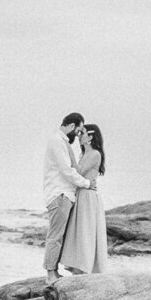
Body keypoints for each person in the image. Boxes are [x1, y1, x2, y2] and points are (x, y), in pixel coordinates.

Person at [42, 112, 91, 285]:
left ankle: (53, 271)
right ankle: (50, 274)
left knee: (59, 235)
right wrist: (85, 183)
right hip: (60, 194)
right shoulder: (57, 141)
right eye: (78, 131)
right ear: (71, 126)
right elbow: (66, 169)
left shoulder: (60, 141)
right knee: (56, 235)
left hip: (64, 194)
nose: (78, 136)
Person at [60, 123, 107, 276]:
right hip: (81, 195)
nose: (79, 136)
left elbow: (78, 172)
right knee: (77, 233)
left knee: (86, 232)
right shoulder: (84, 154)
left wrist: (67, 150)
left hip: (88, 197)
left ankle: (86, 268)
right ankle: (78, 268)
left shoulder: (95, 154)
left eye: (83, 133)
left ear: (90, 137)